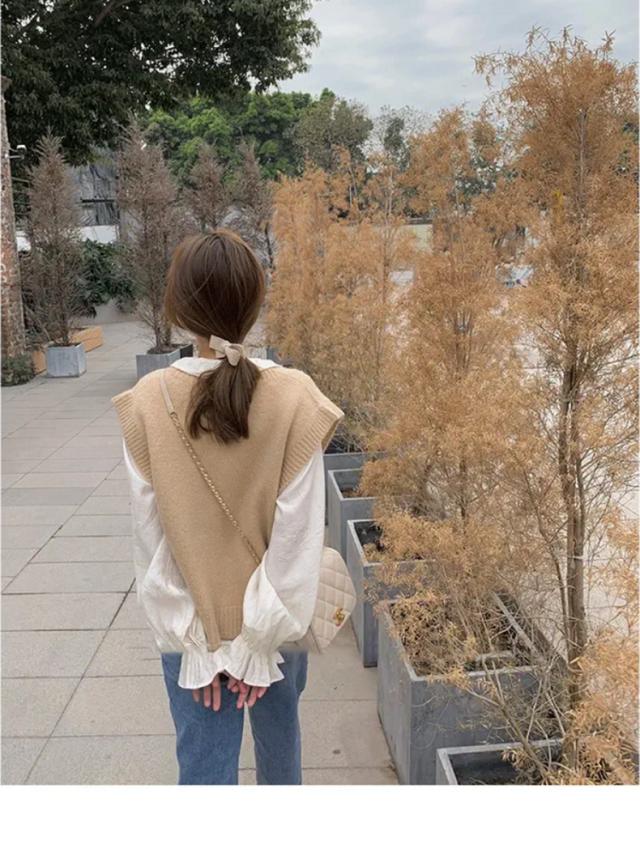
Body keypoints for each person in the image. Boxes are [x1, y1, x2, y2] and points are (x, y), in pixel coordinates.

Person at [110, 229, 344, 785]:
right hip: (278, 628)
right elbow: (298, 537)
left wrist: (196, 641)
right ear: (255, 303)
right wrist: (257, 645)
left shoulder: (146, 404)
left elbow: (152, 543)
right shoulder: (296, 397)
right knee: (281, 759)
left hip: (192, 632)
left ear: (178, 308)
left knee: (204, 773)